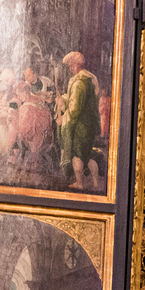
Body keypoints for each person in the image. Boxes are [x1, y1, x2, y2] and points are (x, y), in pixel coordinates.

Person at [56, 51, 101, 191]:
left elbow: (74, 108)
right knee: (89, 154)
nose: (70, 69)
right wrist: (63, 99)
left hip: (80, 125)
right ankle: (96, 183)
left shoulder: (79, 82)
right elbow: (80, 100)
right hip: (90, 123)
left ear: (77, 64)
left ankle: (79, 182)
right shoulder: (91, 78)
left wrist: (63, 118)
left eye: (71, 65)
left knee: (77, 154)